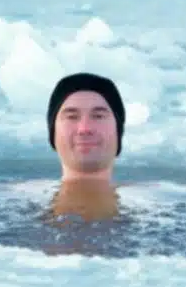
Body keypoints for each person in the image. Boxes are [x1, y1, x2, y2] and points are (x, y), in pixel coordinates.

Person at [45, 72, 126, 223]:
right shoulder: (13, 197)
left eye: (98, 116)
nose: (84, 128)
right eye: (72, 117)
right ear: (53, 132)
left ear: (118, 131)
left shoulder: (158, 200)